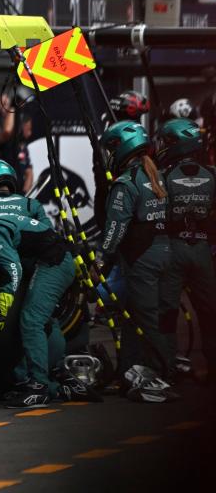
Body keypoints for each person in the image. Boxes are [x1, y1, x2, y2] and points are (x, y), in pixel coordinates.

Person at [0, 160, 75, 407]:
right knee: (39, 318)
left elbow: (12, 265)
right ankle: (48, 377)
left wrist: (3, 300)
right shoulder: (30, 204)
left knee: (31, 320)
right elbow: (44, 230)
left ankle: (39, 386)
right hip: (52, 258)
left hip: (51, 264)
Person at [98, 121, 173, 402]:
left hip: (141, 258)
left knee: (145, 318)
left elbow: (114, 229)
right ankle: (128, 371)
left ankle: (160, 373)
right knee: (137, 315)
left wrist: (102, 260)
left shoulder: (126, 183)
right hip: (164, 253)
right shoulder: (156, 175)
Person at [155, 119, 216, 384]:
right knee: (210, 312)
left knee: (167, 312)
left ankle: (169, 367)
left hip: (174, 247)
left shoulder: (163, 175)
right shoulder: (212, 173)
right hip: (203, 250)